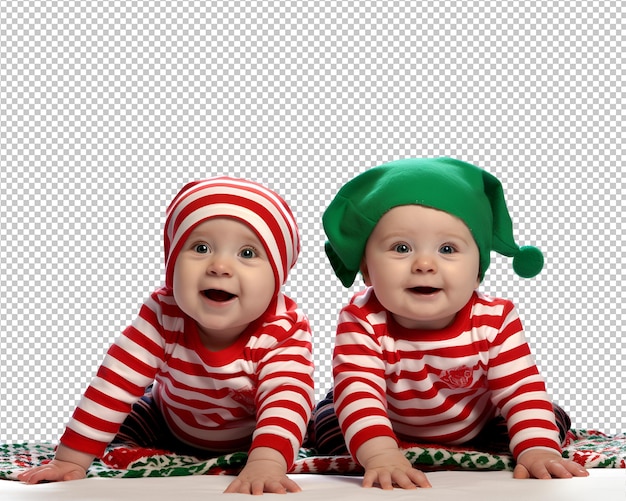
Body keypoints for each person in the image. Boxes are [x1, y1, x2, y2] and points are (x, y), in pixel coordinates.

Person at [18, 176, 315, 495]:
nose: (220, 266)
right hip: (167, 420)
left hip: (254, 430)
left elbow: (286, 395)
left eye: (247, 253)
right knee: (126, 423)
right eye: (201, 248)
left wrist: (266, 465)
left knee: (298, 424)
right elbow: (116, 382)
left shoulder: (283, 328)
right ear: (171, 264)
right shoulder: (163, 313)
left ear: (278, 276)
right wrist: (70, 461)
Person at [312, 157, 589, 490]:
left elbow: (519, 390)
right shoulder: (363, 319)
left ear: (478, 272)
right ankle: (380, 446)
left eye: (447, 248)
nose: (425, 264)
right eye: (401, 248)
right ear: (367, 271)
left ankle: (533, 444)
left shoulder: (494, 319)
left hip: (477, 423)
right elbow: (361, 393)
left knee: (545, 417)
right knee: (331, 421)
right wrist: (380, 455)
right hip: (390, 420)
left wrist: (537, 448)